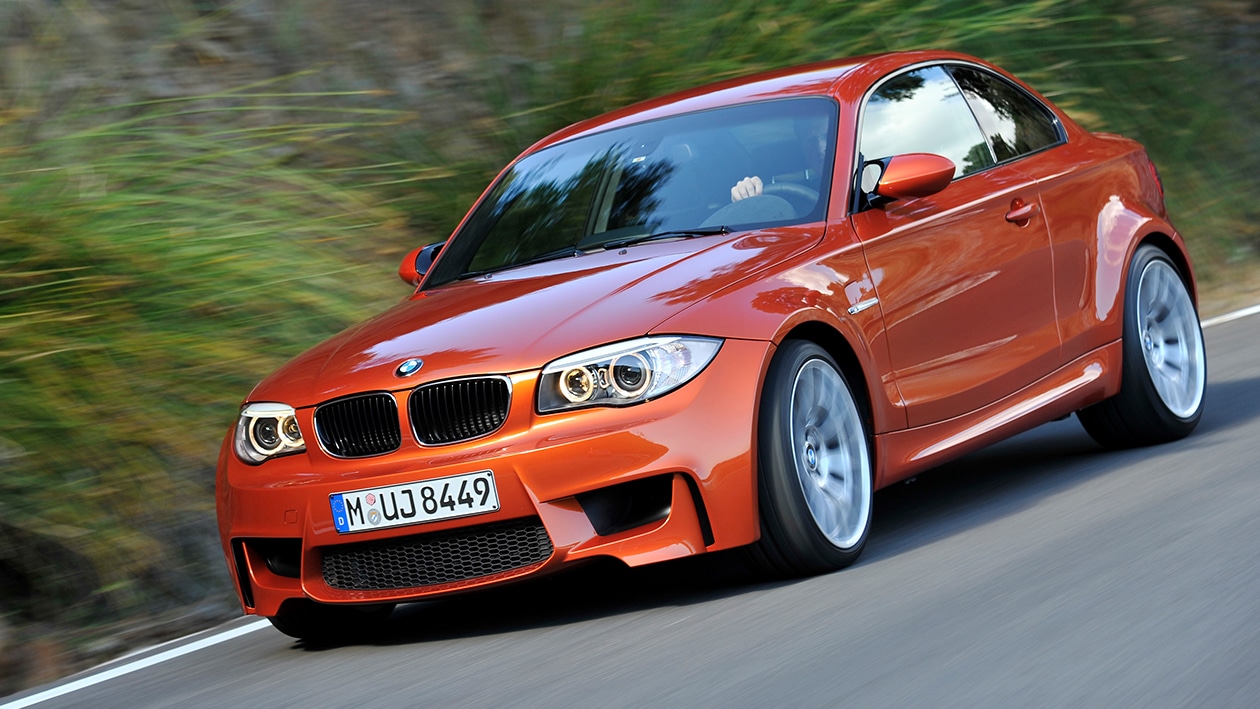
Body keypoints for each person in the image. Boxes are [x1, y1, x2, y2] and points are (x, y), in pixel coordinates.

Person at [730, 114, 830, 202]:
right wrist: (744, 192)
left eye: (827, 136)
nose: (821, 148)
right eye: (811, 141)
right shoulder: (788, 199)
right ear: (802, 150)